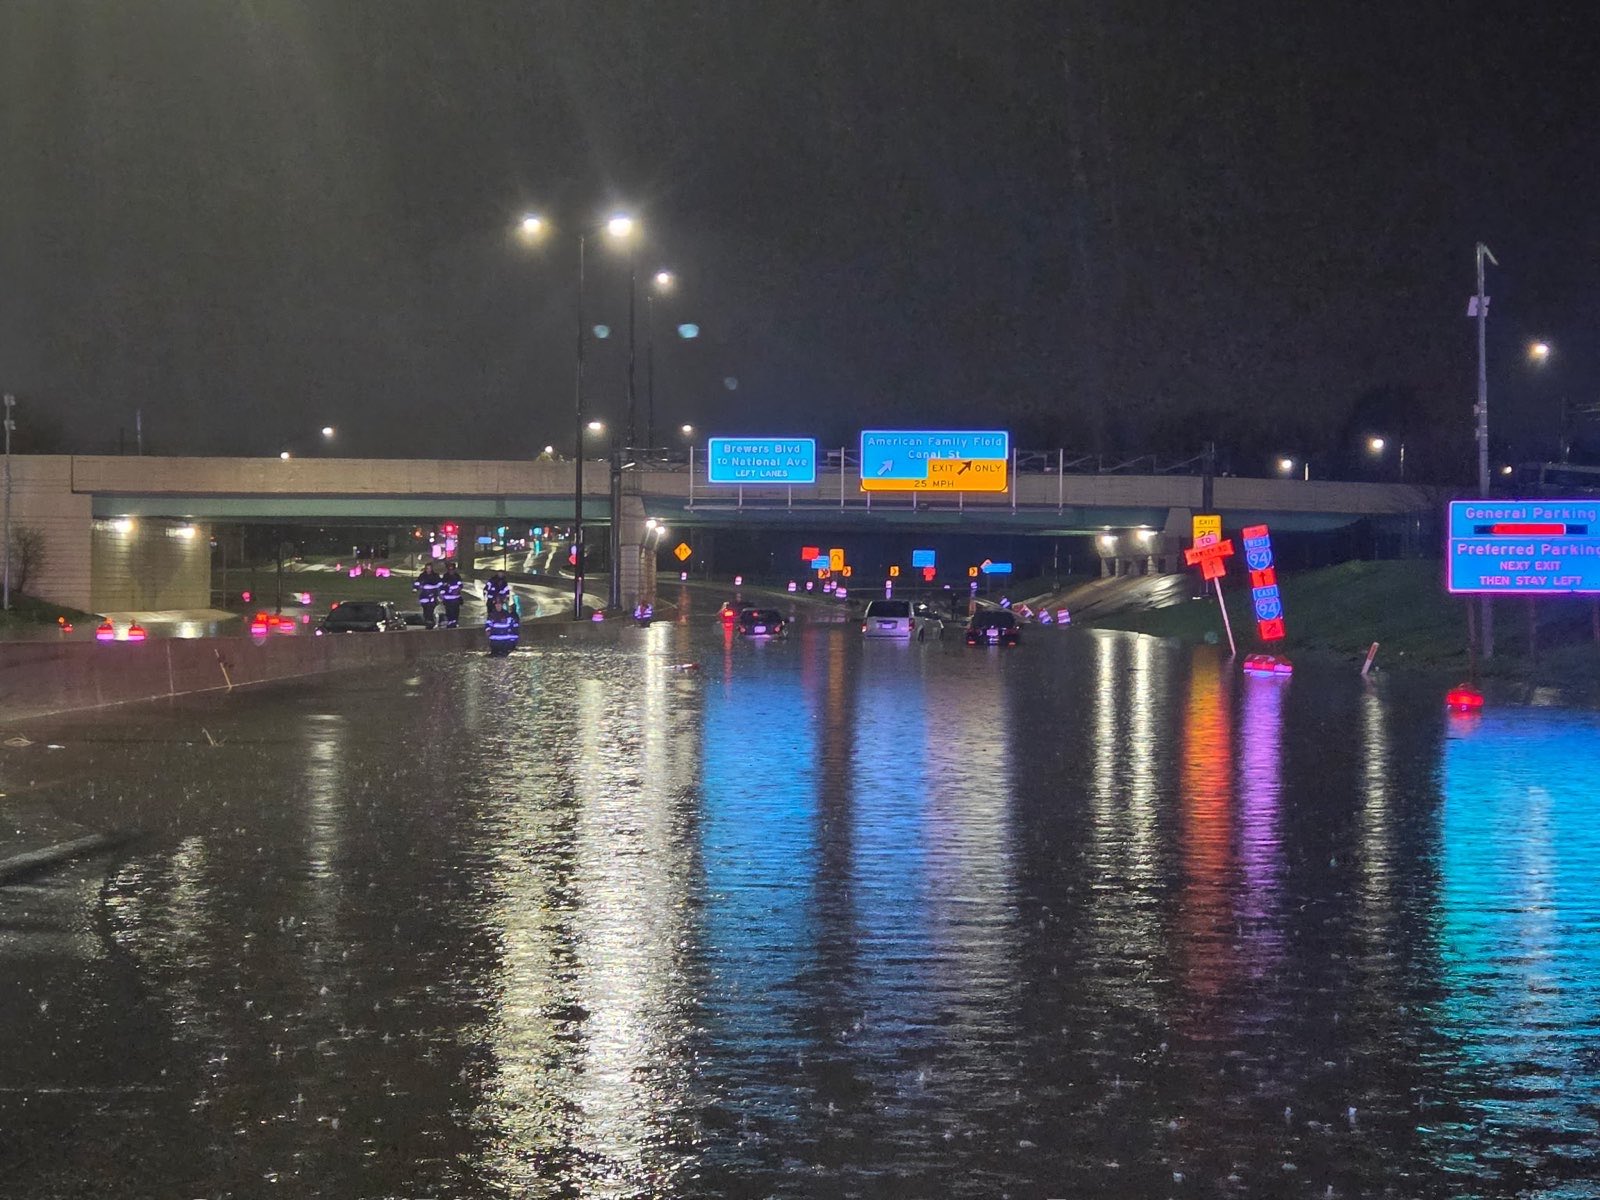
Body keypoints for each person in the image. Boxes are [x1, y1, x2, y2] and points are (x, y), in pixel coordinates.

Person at [413, 563, 442, 628]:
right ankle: (427, 620)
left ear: (432, 569)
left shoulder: (435, 576)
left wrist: (440, 591)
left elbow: (440, 583)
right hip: (424, 595)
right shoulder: (422, 576)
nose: (428, 570)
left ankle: (430, 621)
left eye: (429, 568)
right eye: (427, 568)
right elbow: (417, 582)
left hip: (433, 595)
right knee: (425, 609)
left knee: (430, 609)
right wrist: (415, 588)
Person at [439, 562, 464, 628]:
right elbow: (442, 586)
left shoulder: (457, 576)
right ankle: (450, 622)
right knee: (449, 611)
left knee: (455, 611)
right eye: (450, 570)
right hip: (447, 599)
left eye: (452, 570)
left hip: (456, 598)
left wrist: (457, 590)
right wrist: (441, 594)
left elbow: (460, 585)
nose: (451, 571)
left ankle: (455, 622)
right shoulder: (445, 577)